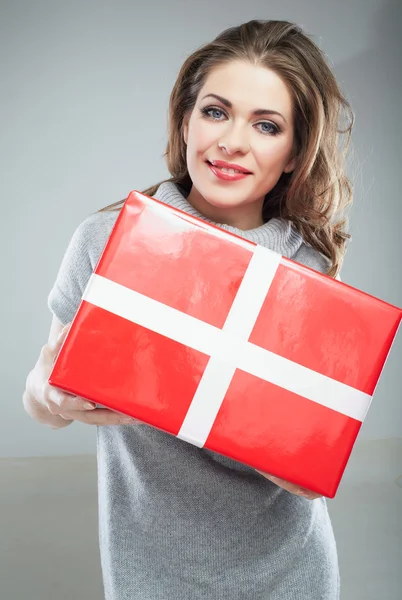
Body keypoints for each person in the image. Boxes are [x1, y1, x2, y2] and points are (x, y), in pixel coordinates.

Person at [23, 19, 353, 600]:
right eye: (216, 111)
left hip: (291, 575)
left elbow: (312, 468)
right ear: (185, 118)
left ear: (295, 152)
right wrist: (49, 392)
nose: (231, 142)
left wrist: (307, 469)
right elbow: (44, 397)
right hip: (150, 575)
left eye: (267, 125)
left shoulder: (310, 270)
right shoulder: (107, 242)